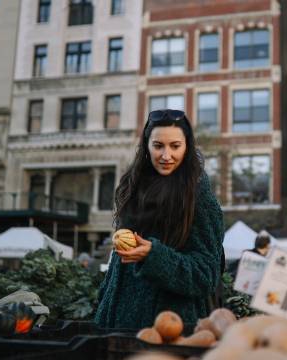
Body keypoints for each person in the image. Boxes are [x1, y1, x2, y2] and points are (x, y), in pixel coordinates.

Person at [95, 109, 224, 329]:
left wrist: (153, 255)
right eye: (158, 146)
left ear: (187, 147)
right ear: (146, 146)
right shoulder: (132, 186)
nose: (166, 156)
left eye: (175, 146)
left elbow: (207, 274)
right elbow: (119, 266)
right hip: (115, 328)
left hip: (169, 332)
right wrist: (102, 304)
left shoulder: (199, 197)